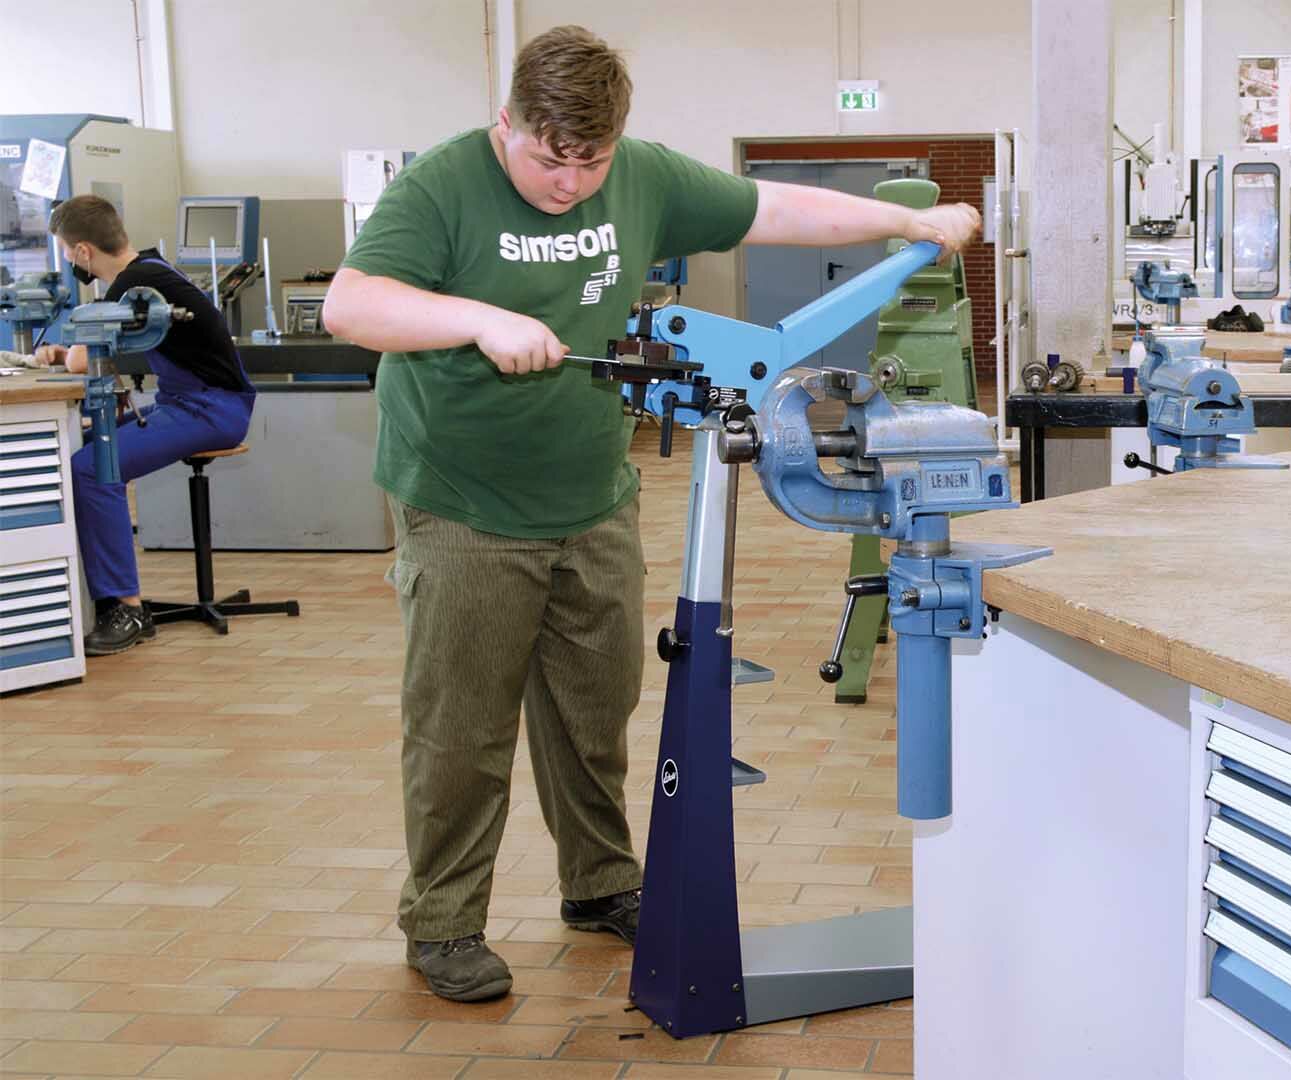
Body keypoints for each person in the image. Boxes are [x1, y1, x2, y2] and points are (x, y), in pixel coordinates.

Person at [322, 24, 980, 1003]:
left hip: (591, 492)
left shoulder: (639, 178)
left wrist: (907, 226)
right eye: (550, 158)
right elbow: (352, 304)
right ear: (509, 122)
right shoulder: (443, 189)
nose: (570, 181)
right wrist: (477, 318)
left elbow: (773, 207)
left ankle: (598, 885)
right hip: (462, 498)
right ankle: (445, 923)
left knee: (597, 705)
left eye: (590, 161)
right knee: (462, 725)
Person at [34, 195, 256, 656]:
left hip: (213, 410)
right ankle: (100, 594)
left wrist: (62, 352)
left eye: (65, 250)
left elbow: (81, 359)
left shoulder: (134, 284)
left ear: (82, 253)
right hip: (186, 401)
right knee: (86, 448)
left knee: (92, 468)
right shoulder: (151, 269)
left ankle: (128, 609)